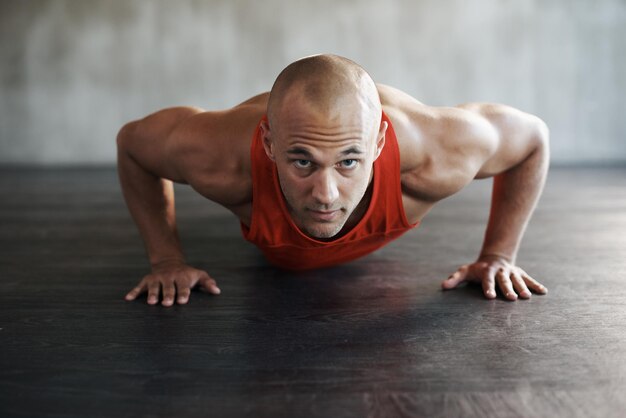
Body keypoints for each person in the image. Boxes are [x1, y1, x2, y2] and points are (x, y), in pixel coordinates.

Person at [117, 54, 549, 307]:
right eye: (302, 162)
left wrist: (498, 254)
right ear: (268, 144)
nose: (325, 195)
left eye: (348, 162)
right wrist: (166, 261)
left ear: (379, 143)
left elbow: (533, 138)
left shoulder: (436, 151)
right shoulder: (222, 157)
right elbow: (133, 145)